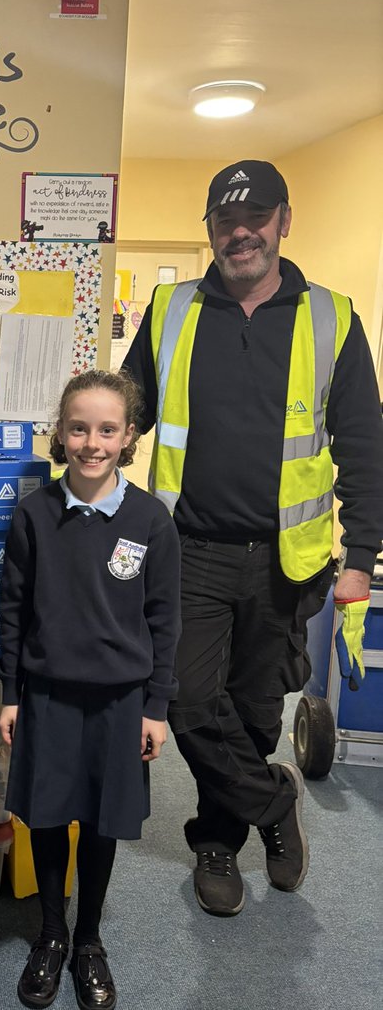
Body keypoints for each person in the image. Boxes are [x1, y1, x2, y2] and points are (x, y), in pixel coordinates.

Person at [122, 160, 383, 916]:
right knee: (184, 698)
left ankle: (217, 841)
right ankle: (273, 802)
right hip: (190, 548)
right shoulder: (172, 309)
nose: (241, 234)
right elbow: (128, 408)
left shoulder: (333, 318)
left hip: (284, 559)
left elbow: (363, 446)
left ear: (283, 221)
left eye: (256, 218)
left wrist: (361, 558)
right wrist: (77, 459)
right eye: (225, 221)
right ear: (209, 230)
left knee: (256, 712)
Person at [0, 369, 181, 1010]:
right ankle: (51, 933)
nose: (92, 443)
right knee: (48, 816)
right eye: (79, 428)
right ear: (61, 432)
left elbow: (164, 620)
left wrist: (157, 707)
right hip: (47, 695)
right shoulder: (34, 514)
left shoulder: (151, 520)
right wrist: (10, 693)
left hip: (120, 702)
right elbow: (13, 611)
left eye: (107, 429)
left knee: (102, 822)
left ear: (128, 436)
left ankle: (89, 941)